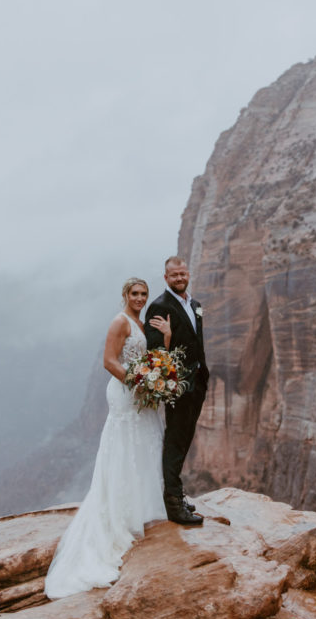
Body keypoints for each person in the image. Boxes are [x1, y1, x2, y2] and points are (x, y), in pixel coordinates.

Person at [45, 277, 171, 599]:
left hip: (141, 393)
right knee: (125, 447)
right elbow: (109, 361)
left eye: (144, 293)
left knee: (144, 447)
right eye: (135, 293)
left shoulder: (140, 323)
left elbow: (153, 358)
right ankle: (119, 515)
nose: (140, 298)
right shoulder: (119, 322)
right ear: (125, 295)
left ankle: (140, 509)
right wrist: (138, 382)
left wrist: (159, 360)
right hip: (125, 394)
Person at [144, 255, 209, 526]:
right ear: (166, 278)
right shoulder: (159, 307)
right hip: (177, 386)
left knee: (184, 440)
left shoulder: (195, 304)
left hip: (197, 383)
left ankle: (175, 493)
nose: (180, 278)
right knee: (175, 441)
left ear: (188, 274)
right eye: (174, 275)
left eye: (183, 274)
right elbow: (155, 352)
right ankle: (173, 504)